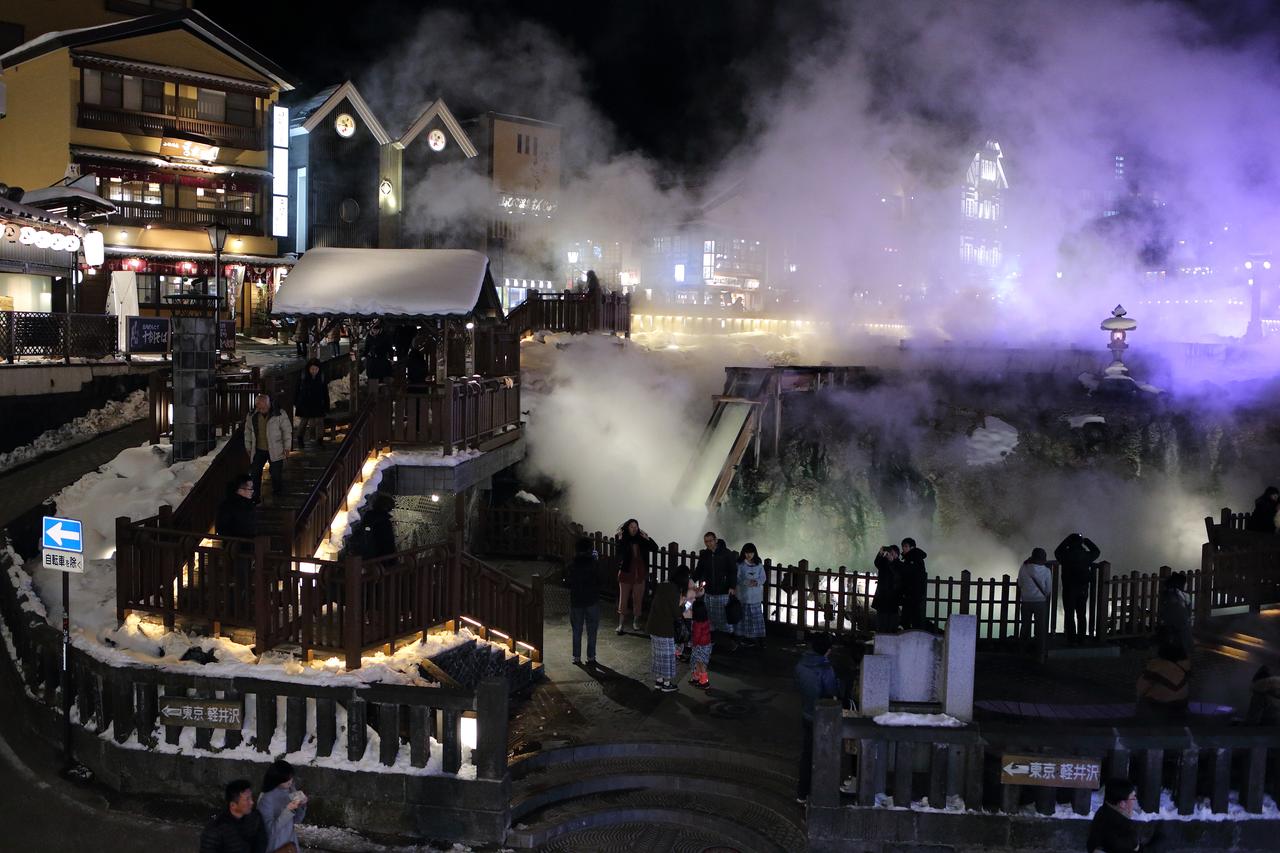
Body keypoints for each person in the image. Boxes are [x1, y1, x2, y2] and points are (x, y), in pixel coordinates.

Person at [795, 633, 842, 804]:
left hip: (806, 713)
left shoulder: (801, 664)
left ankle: (802, 792)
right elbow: (832, 692)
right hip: (822, 718)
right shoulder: (825, 668)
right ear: (827, 650)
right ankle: (820, 794)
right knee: (823, 755)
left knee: (807, 754)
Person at [1086, 778, 1158, 852]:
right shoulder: (1122, 833)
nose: (1135, 802)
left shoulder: (1102, 814)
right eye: (1133, 798)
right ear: (1122, 804)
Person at [243, 394, 291, 504]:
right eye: (258, 408)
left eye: (263, 408)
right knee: (255, 472)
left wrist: (287, 447)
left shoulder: (279, 414)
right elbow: (248, 432)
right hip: (259, 449)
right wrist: (248, 446)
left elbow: (286, 431)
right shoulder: (252, 416)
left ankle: (277, 492)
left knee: (275, 473)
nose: (260, 410)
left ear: (269, 405)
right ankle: (256, 495)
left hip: (275, 448)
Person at [646, 566, 687, 693]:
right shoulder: (674, 591)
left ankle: (659, 681)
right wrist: (685, 605)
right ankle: (667, 684)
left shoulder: (663, 585)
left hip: (653, 625)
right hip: (664, 628)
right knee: (667, 656)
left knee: (657, 655)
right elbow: (676, 613)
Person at [1055, 533, 1101, 645]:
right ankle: (1081, 638)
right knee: (1081, 614)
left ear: (1070, 543)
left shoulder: (1065, 555)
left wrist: (1067, 539)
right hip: (1083, 589)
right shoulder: (1086, 555)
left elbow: (1057, 551)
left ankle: (1071, 639)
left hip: (1069, 589)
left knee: (1069, 614)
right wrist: (1086, 540)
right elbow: (1097, 551)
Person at [199, 779, 267, 853]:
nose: (252, 802)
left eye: (251, 797)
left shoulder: (255, 818)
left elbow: (261, 845)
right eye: (247, 799)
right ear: (233, 805)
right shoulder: (215, 830)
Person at [693, 531, 738, 641]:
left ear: (716, 540)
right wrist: (691, 580)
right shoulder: (704, 554)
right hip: (709, 590)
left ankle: (730, 639)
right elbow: (699, 570)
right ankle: (712, 638)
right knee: (710, 616)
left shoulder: (726, 553)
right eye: (706, 541)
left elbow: (733, 571)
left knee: (724, 615)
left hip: (723, 589)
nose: (708, 544)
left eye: (710, 541)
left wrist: (732, 586)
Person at [614, 519, 657, 634]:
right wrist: (620, 540)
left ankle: (635, 622)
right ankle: (620, 624)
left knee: (638, 599)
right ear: (627, 527)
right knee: (623, 600)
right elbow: (619, 552)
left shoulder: (642, 539)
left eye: (636, 526)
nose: (634, 528)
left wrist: (648, 538)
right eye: (632, 526)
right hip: (626, 574)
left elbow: (655, 548)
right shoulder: (623, 539)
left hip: (640, 574)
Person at [257, 759, 307, 853]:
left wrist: (302, 805)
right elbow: (270, 832)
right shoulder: (266, 799)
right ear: (277, 779)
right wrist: (288, 810)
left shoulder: (291, 789)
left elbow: (296, 820)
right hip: (276, 846)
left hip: (291, 843)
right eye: (287, 779)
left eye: (291, 778)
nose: (290, 782)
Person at [1136, 639, 1191, 722]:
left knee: (1142, 701)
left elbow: (1140, 687)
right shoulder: (1186, 664)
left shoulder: (1157, 666)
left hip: (1159, 706)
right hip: (1182, 703)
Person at [567, 537, 600, 665]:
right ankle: (591, 657)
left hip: (576, 602)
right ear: (590, 549)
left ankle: (576, 657)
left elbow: (567, 581)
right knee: (592, 631)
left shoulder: (572, 565)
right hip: (592, 601)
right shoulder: (594, 564)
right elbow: (600, 580)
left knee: (577, 630)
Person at [1017, 547, 1053, 661]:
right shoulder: (1046, 571)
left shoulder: (1024, 568)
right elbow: (1048, 590)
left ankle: (1022, 652)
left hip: (1026, 601)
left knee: (1025, 627)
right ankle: (1040, 655)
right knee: (1040, 629)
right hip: (1040, 603)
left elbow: (1020, 583)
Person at [293, 358, 329, 451]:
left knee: (319, 422)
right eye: (312, 369)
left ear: (318, 369)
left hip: (318, 402)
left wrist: (326, 404)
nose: (314, 371)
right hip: (305, 403)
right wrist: (296, 402)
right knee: (304, 421)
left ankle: (319, 440)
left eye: (316, 369)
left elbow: (325, 391)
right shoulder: (304, 377)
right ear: (309, 369)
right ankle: (300, 438)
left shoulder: (321, 376)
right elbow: (297, 389)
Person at [1156, 571, 1193, 661]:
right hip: (1180, 626)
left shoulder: (1168, 594)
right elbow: (1187, 612)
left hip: (1173, 625)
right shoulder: (1183, 596)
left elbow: (1164, 611)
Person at [737, 542, 767, 648]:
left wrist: (757, 582)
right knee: (745, 618)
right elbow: (738, 578)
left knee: (757, 618)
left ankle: (759, 638)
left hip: (756, 597)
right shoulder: (740, 564)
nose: (749, 555)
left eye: (751, 553)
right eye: (747, 553)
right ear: (743, 553)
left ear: (754, 553)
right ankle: (746, 638)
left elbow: (763, 577)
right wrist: (746, 582)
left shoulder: (759, 564)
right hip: (744, 596)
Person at [350, 493, 397, 560]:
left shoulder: (371, 516)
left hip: (372, 553)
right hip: (379, 553)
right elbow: (388, 540)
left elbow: (365, 528)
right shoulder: (384, 520)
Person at [898, 538, 928, 630]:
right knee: (911, 618)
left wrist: (896, 562)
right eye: (903, 546)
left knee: (912, 619)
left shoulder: (914, 559)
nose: (903, 548)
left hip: (913, 595)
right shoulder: (910, 558)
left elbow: (909, 573)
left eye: (906, 546)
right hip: (911, 594)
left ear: (912, 547)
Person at [688, 585, 713, 689]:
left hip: (699, 646)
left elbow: (697, 636)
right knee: (700, 664)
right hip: (707, 645)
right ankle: (698, 679)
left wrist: (693, 643)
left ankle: (703, 681)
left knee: (699, 664)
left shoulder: (697, 624)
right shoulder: (706, 621)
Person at [872, 545, 901, 632]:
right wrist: (880, 553)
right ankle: (881, 633)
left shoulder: (899, 564)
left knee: (890, 620)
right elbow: (877, 563)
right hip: (882, 595)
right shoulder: (884, 562)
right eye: (889, 553)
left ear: (897, 554)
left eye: (892, 553)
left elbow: (897, 576)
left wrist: (891, 562)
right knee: (881, 619)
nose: (889, 555)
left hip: (893, 596)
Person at [363, 321, 394, 395]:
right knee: (372, 378)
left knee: (382, 378)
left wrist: (391, 358)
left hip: (382, 360)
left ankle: (383, 396)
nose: (375, 331)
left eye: (376, 329)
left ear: (380, 329)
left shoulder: (385, 336)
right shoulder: (369, 336)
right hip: (372, 362)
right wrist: (364, 355)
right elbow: (366, 347)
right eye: (373, 329)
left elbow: (389, 348)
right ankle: (373, 396)